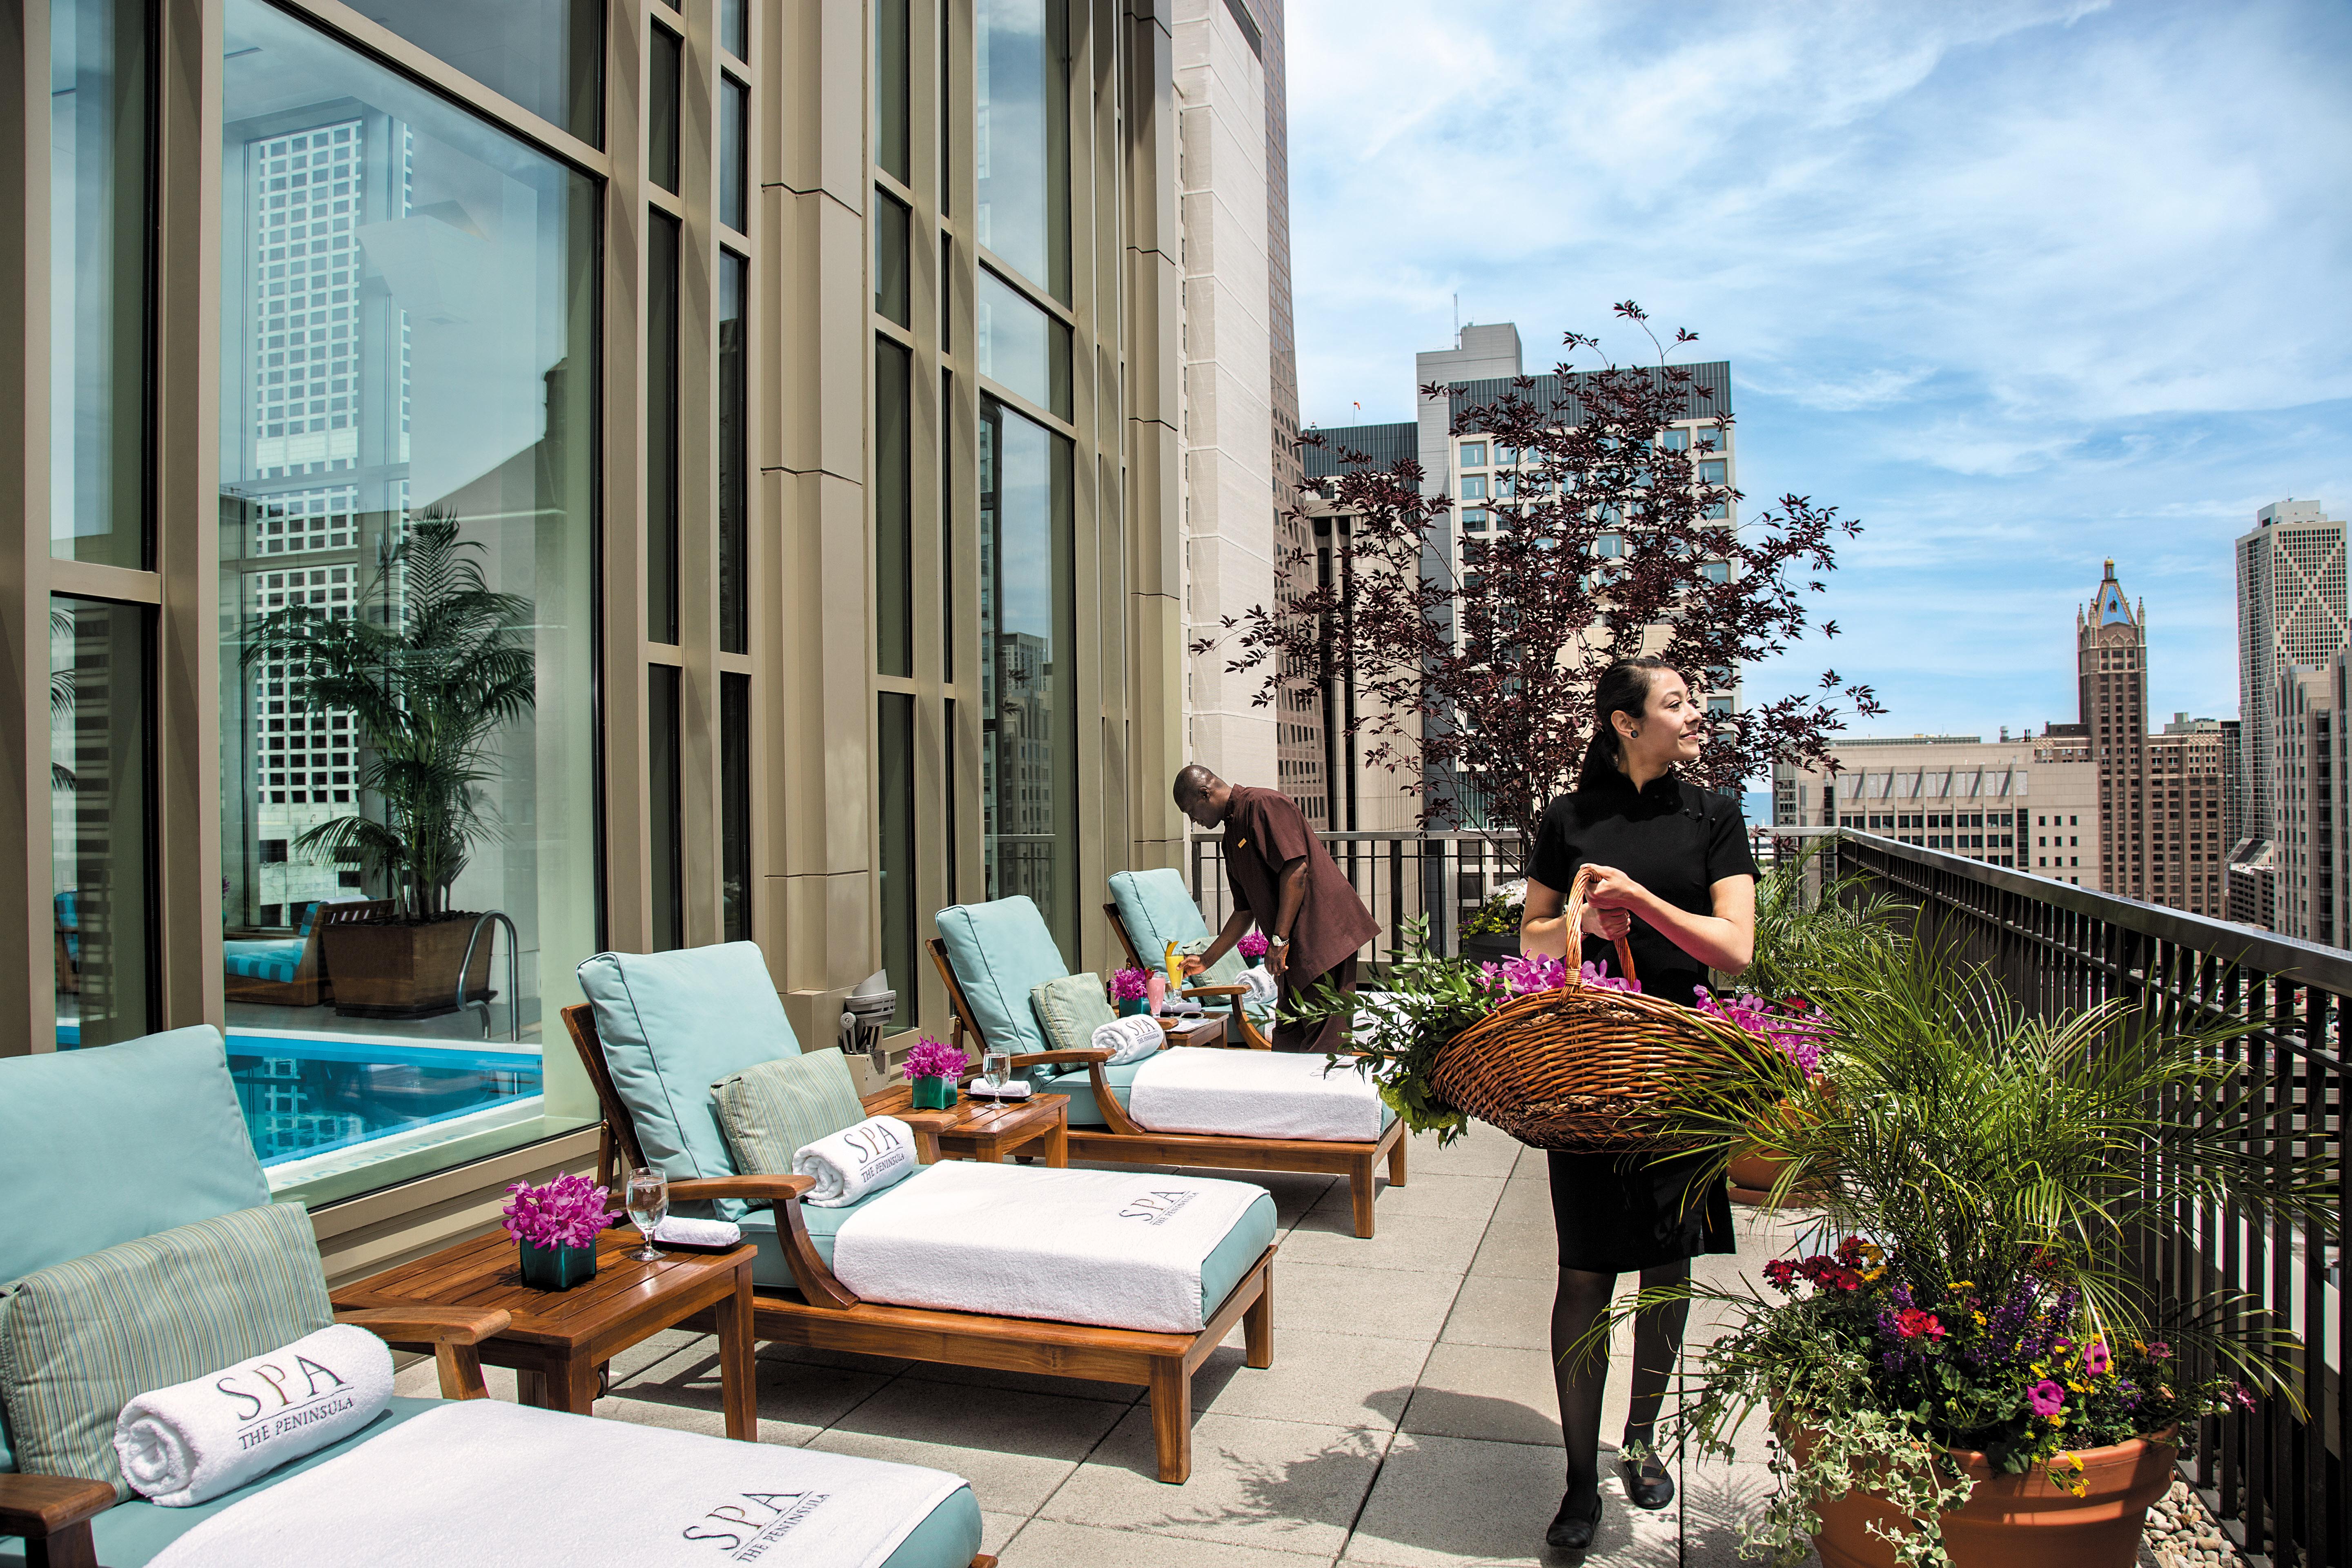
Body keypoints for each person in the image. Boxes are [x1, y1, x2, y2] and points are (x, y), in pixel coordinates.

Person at [1517, 656, 1757, 1551]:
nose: (1696, 714)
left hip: (1684, 1073)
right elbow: (1531, 938)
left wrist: (1643, 904)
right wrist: (1586, 922)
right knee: (1584, 1271)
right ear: (1626, 722)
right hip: (1588, 1072)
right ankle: (1580, 1481)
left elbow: (1735, 952)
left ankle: (1644, 1441)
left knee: (1668, 1264)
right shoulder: (1569, 819)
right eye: (1678, 702)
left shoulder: (1715, 817)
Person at [1172, 765, 1380, 1053]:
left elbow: (1297, 870)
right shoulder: (1230, 839)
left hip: (1322, 936)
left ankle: (1332, 1098)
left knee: (1325, 1045)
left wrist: (1279, 940)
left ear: (1205, 793)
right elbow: (1245, 911)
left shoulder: (1263, 805)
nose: (1194, 820)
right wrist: (1206, 960)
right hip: (1292, 951)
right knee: (1288, 1042)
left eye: (1191, 811)